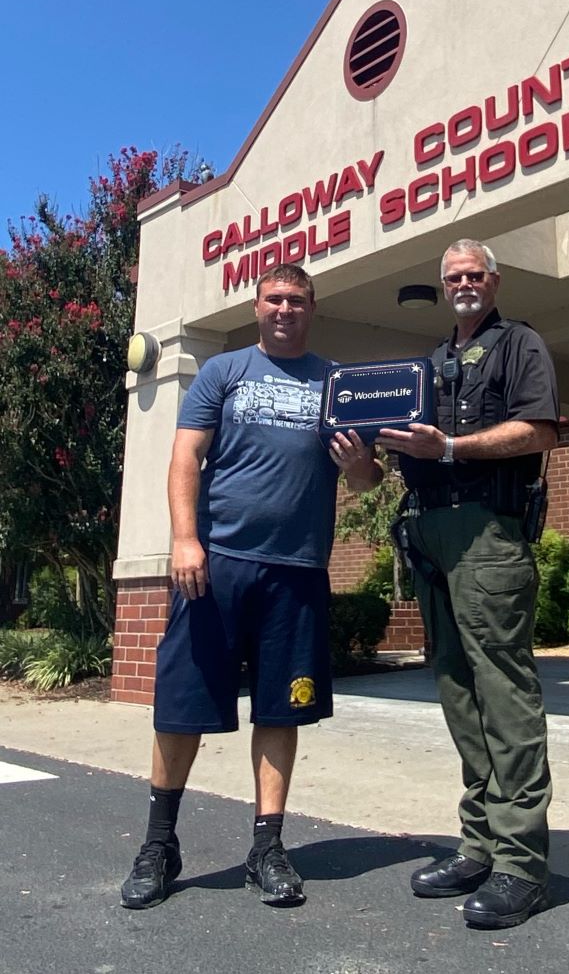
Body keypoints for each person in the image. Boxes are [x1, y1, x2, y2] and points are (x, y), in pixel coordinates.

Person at [120, 263, 378, 910]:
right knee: (183, 707)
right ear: (257, 306)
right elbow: (185, 457)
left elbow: (367, 483)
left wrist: (360, 466)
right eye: (274, 299)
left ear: (311, 308)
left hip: (296, 571)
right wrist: (185, 539)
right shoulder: (223, 372)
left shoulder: (336, 382)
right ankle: (159, 843)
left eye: (296, 299)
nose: (284, 308)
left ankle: (267, 846)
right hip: (217, 565)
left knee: (279, 708)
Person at [379, 239, 558, 930]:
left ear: (494, 280)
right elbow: (394, 443)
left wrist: (451, 448)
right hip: (429, 534)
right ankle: (478, 842)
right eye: (452, 276)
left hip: (488, 531)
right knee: (458, 690)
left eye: (474, 274)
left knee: (504, 693)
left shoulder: (520, 345)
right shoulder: (429, 363)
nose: (463, 284)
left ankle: (521, 863)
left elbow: (539, 430)